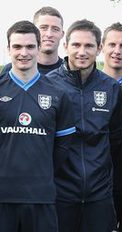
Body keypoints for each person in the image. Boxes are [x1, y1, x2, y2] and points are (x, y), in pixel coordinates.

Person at [48, 19, 122, 232]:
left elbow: (117, 138)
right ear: (66, 46)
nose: (82, 51)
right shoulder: (48, 85)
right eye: (76, 45)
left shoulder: (111, 88)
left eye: (89, 46)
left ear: (99, 48)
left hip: (99, 195)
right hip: (60, 194)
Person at [0, 20, 76, 232]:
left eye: (30, 46)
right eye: (17, 46)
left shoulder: (58, 93)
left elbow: (62, 147)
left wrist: (40, 170)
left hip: (41, 196)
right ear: (8, 49)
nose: (23, 52)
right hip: (2, 196)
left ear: (39, 47)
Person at [100, 22, 122, 231]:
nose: (117, 51)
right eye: (112, 44)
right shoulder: (88, 85)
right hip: (97, 181)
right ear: (102, 46)